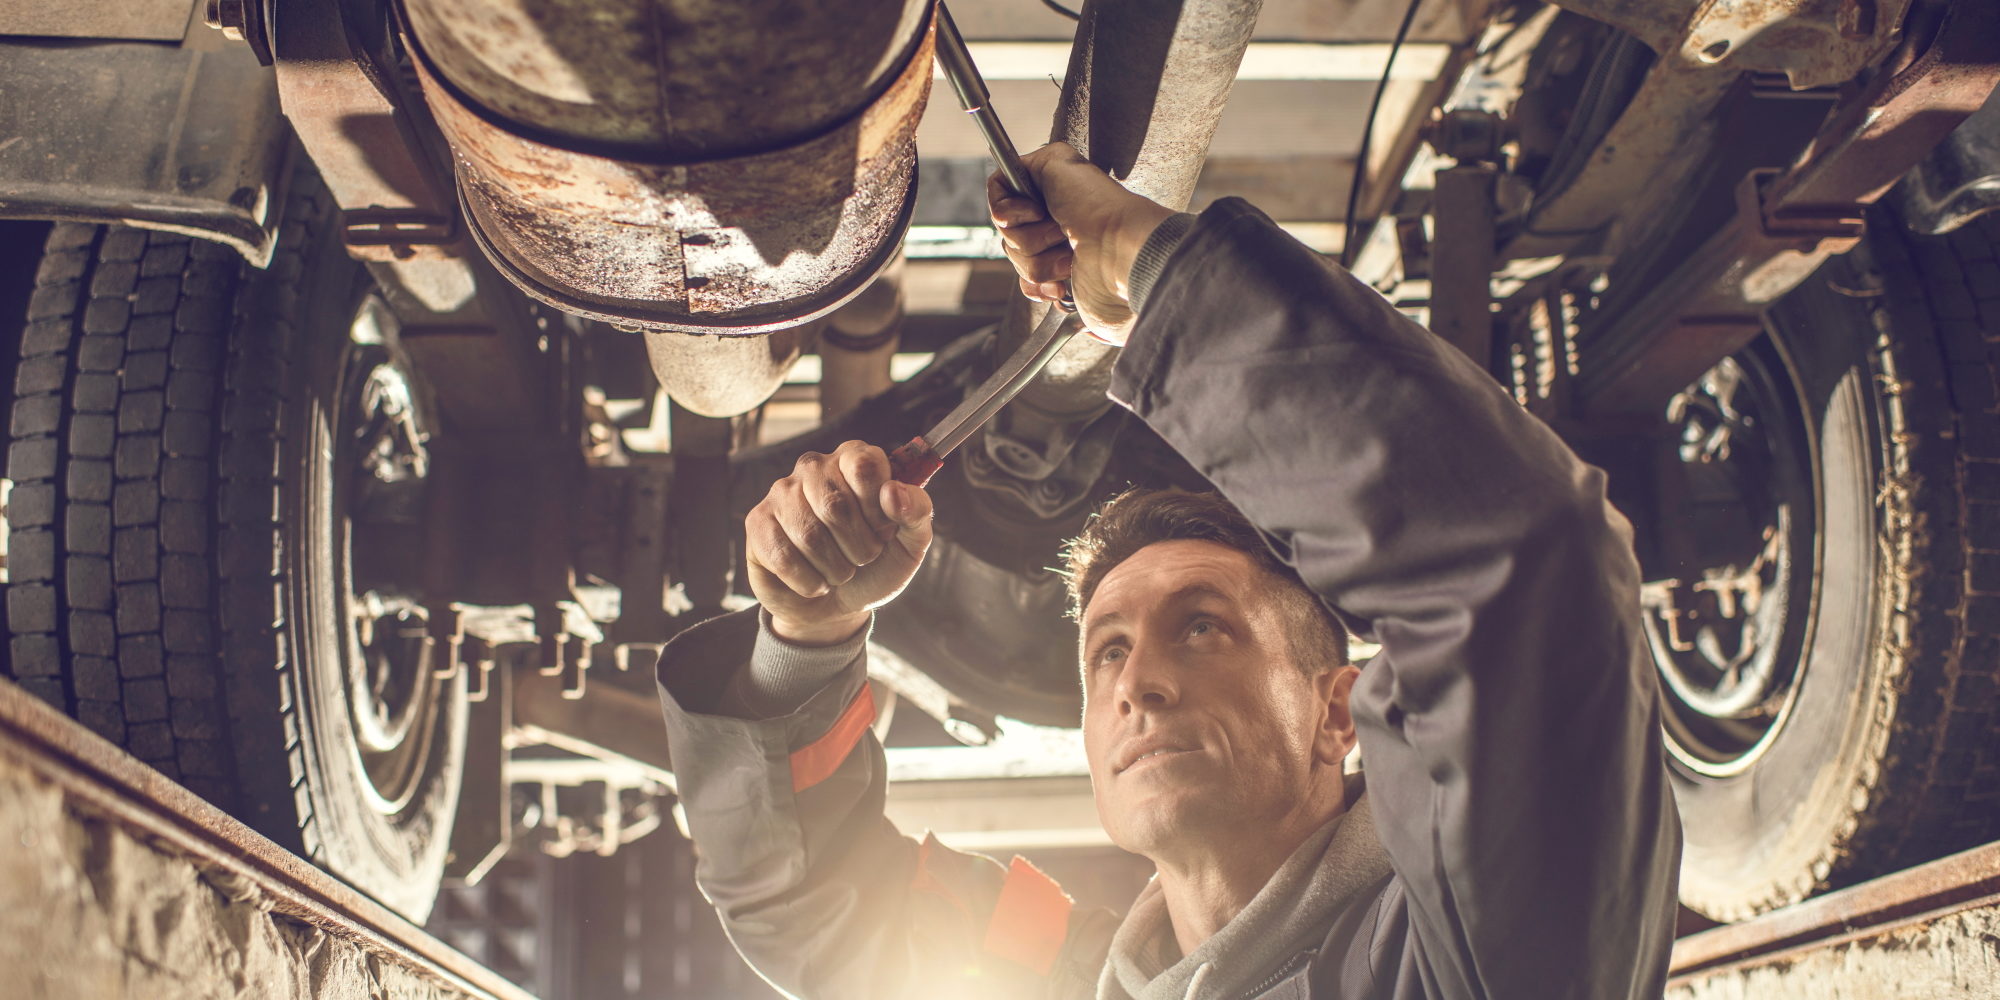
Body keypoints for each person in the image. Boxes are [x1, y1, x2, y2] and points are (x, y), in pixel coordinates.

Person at [654, 142, 1682, 999]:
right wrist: (809, 638)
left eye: (1202, 626)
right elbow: (821, 908)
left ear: (1338, 711)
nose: (1134, 681)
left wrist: (1153, 276)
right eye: (1105, 649)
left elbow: (1520, 570)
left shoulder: (1471, 950)